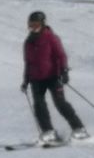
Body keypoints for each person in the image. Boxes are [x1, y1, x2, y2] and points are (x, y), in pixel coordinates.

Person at [22, 11, 87, 144]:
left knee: (60, 103)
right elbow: (28, 63)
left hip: (53, 76)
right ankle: (48, 131)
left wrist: (64, 71)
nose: (32, 27)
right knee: (39, 106)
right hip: (36, 79)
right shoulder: (28, 42)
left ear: (43, 23)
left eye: (35, 24)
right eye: (30, 25)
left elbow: (61, 55)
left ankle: (79, 128)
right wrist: (26, 80)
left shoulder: (51, 38)